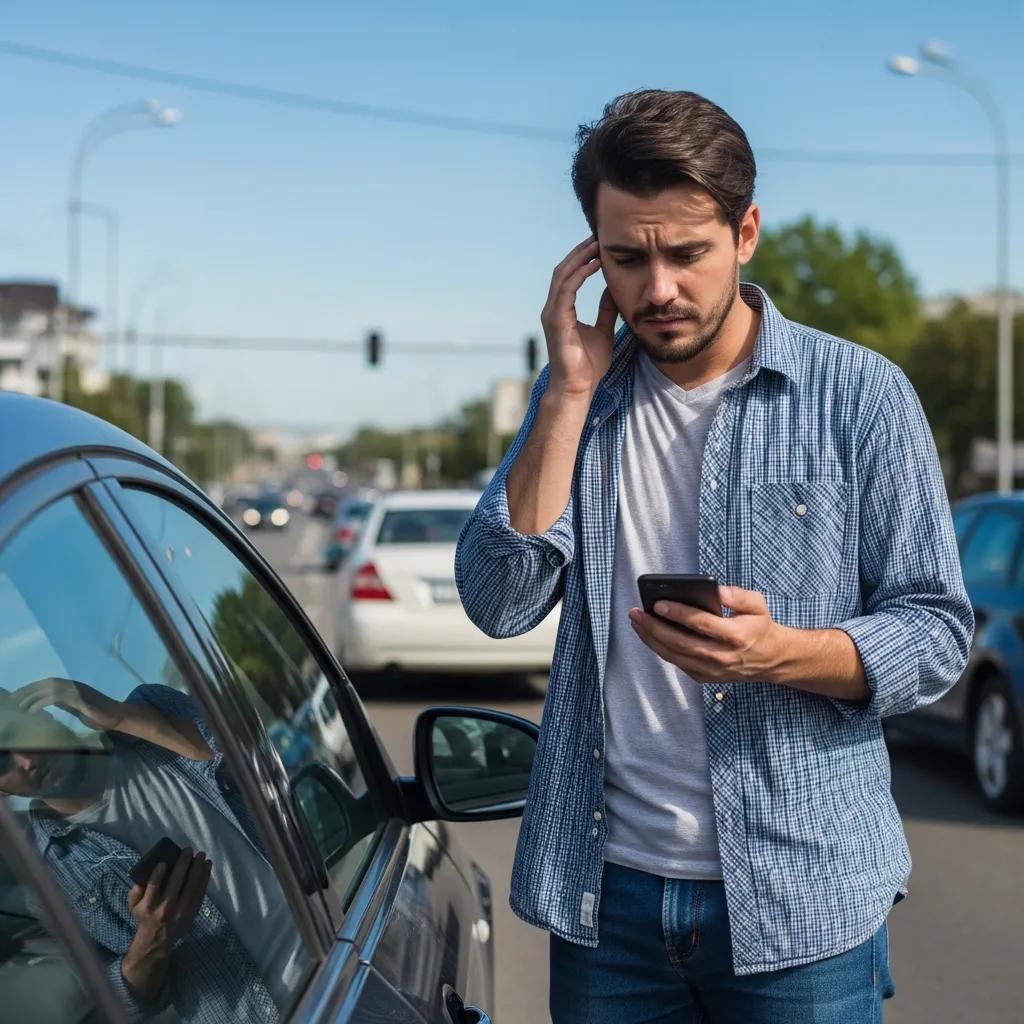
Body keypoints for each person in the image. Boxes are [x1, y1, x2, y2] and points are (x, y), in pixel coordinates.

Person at [455, 89, 974, 1023]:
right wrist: (569, 395)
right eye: (626, 258)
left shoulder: (857, 394)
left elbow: (935, 631)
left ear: (746, 234)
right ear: (590, 257)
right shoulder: (578, 397)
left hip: (801, 899)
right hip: (606, 901)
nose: (656, 290)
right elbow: (498, 600)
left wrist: (782, 653)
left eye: (686, 253)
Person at [0, 677, 305, 1024]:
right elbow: (115, 1005)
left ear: (41, 713)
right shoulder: (47, 879)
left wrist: (119, 717)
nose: (25, 761)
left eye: (13, 734)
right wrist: (152, 939)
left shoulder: (151, 712)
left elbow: (254, 762)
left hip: (332, 960)